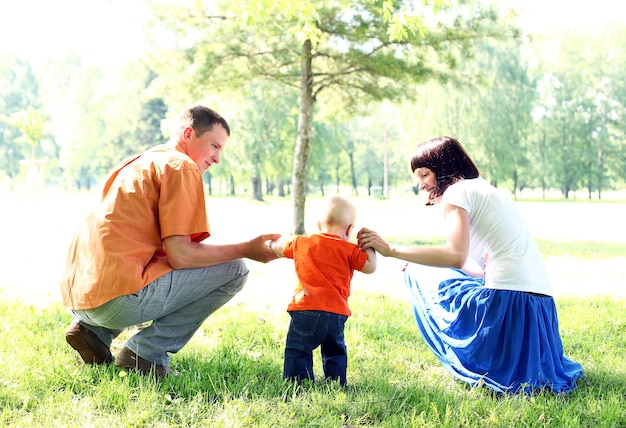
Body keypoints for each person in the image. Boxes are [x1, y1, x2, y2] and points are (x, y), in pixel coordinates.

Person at [61, 105, 280, 378]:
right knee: (235, 270)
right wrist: (248, 249)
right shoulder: (181, 166)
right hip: (115, 301)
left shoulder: (138, 161)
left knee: (155, 260)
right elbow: (182, 256)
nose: (217, 158)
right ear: (188, 133)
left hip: (79, 299)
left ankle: (93, 333)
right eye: (214, 146)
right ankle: (145, 353)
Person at [357, 136, 583, 394]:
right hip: (540, 309)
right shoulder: (487, 189)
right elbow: (473, 267)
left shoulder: (456, 192)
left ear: (442, 169)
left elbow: (454, 255)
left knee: (417, 270)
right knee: (435, 269)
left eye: (424, 175)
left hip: (508, 305)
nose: (421, 186)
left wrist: (392, 250)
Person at [269, 195, 377, 386]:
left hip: (306, 308)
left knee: (298, 348)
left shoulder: (301, 242)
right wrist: (370, 246)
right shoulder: (349, 250)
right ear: (350, 229)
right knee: (335, 349)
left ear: (318, 224)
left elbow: (279, 248)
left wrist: (272, 243)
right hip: (336, 312)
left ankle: (297, 382)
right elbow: (370, 267)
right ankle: (336, 383)